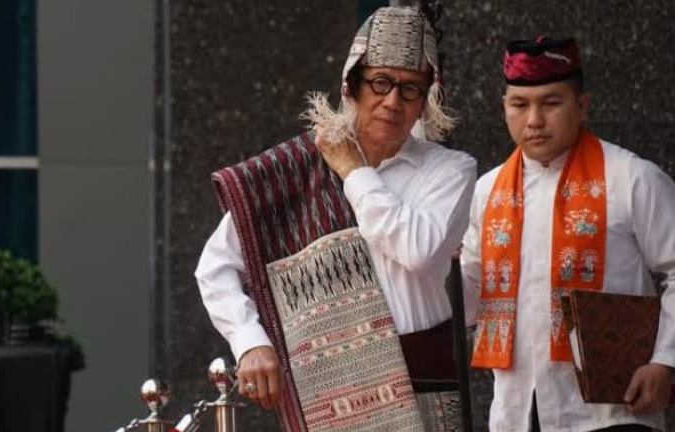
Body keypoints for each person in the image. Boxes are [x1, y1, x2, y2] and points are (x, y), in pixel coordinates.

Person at [196, 6, 476, 431]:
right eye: (380, 82)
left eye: (410, 89)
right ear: (351, 86)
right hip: (327, 396)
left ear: (424, 103)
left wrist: (353, 171)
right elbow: (215, 266)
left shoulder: (450, 170)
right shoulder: (296, 169)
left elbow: (417, 251)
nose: (392, 101)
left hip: (426, 389)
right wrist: (250, 342)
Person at [461, 36, 675, 431]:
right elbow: (471, 297)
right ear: (504, 107)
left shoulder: (631, 178)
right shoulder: (487, 191)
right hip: (517, 411)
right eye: (519, 104)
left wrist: (666, 360)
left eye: (551, 103)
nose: (534, 120)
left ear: (582, 106)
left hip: (613, 410)